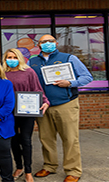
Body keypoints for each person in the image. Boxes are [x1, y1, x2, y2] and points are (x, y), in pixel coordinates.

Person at [29, 34, 93, 182]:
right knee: (46, 138)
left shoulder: (69, 58)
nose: (47, 44)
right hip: (43, 105)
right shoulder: (32, 61)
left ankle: (73, 171)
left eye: (50, 41)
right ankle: (49, 166)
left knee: (70, 139)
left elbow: (87, 77)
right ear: (38, 46)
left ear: (56, 43)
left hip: (66, 103)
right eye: (43, 42)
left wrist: (70, 83)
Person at [3, 48, 50, 182]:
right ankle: (19, 166)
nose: (11, 60)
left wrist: (45, 101)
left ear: (20, 58)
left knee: (26, 140)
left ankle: (28, 171)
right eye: (9, 57)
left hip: (26, 111)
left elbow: (37, 89)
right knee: (13, 140)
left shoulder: (29, 72)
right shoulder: (2, 73)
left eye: (14, 57)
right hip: (8, 112)